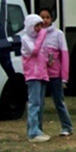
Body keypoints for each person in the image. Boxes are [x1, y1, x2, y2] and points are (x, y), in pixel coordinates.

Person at [38, 9, 73, 137]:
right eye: (42, 17)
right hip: (41, 74)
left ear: (52, 19)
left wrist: (64, 76)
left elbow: (64, 55)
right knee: (39, 103)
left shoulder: (58, 34)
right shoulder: (36, 33)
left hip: (55, 75)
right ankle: (38, 129)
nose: (45, 20)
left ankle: (67, 126)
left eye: (47, 17)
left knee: (59, 101)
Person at [21, 13, 52, 142]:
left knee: (40, 103)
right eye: (36, 26)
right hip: (32, 75)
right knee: (34, 103)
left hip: (42, 74)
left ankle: (37, 129)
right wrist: (42, 36)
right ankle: (33, 132)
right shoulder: (26, 39)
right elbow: (34, 51)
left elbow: (44, 54)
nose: (39, 29)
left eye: (40, 26)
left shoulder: (40, 39)